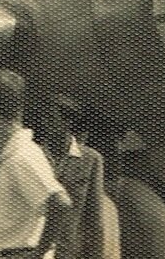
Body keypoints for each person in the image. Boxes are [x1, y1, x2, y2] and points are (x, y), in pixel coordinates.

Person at [0, 69, 71, 259]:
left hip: (18, 253)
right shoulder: (16, 153)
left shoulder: (20, 157)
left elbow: (60, 203)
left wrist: (39, 252)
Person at [39, 95, 107, 259]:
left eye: (51, 118)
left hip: (69, 251)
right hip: (35, 249)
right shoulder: (34, 155)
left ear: (68, 122)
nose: (46, 123)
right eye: (44, 118)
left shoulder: (90, 159)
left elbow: (94, 216)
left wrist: (95, 255)